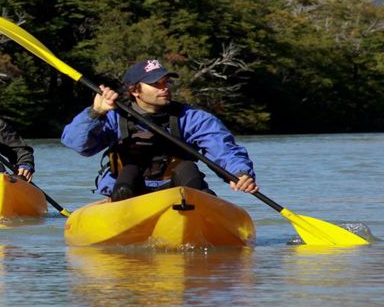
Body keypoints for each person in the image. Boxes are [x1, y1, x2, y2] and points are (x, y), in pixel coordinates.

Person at [60, 58, 259, 202]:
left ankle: (198, 208)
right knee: (128, 172)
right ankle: (121, 211)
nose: (164, 88)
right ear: (134, 90)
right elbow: (77, 144)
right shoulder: (113, 115)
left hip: (177, 188)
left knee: (189, 169)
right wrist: (95, 113)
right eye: (156, 84)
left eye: (166, 82)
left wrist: (240, 173)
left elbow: (222, 148)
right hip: (128, 189)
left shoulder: (191, 118)